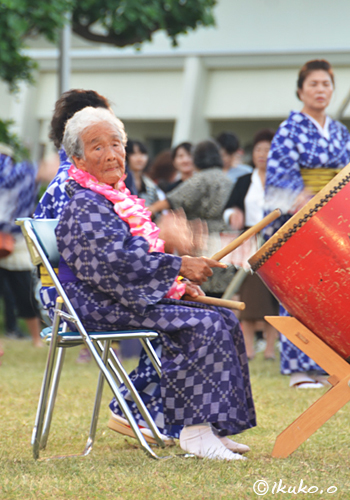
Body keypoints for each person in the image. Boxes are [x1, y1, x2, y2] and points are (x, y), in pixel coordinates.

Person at [48, 106, 256, 460]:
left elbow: (136, 256)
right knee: (200, 323)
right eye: (97, 147)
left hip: (124, 293)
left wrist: (175, 282)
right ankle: (194, 431)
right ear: (78, 160)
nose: (112, 154)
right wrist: (178, 268)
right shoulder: (85, 203)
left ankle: (214, 427)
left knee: (222, 318)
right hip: (94, 302)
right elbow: (113, 265)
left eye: (116, 144)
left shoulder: (116, 197)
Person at [264, 59, 350, 388]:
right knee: (300, 294)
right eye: (313, 84)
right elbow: (279, 181)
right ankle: (299, 368)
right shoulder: (290, 129)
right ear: (301, 89)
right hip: (299, 222)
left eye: (326, 84)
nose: (320, 90)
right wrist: (305, 201)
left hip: (335, 219)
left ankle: (331, 365)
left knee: (334, 292)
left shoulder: (341, 132)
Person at [34, 89, 122, 363]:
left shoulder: (86, 180)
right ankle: (144, 400)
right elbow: (88, 259)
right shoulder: (72, 186)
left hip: (75, 295)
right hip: (76, 300)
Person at [149, 140, 236, 296]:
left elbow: (173, 200)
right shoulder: (227, 179)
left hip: (200, 233)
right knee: (223, 289)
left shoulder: (200, 178)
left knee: (202, 288)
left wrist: (150, 211)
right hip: (224, 233)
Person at [223, 129, 279, 360]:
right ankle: (247, 349)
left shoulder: (281, 179)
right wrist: (233, 215)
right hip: (249, 238)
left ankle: (269, 350)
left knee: (273, 296)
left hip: (276, 239)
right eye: (258, 150)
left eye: (267, 150)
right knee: (247, 294)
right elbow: (229, 207)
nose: (263, 154)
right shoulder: (244, 180)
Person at [0, 145, 42, 347]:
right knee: (18, 294)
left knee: (24, 293)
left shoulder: (18, 182)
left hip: (16, 246)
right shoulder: (20, 179)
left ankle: (35, 338)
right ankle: (29, 337)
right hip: (11, 242)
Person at [126, 139, 161, 207]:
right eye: (134, 154)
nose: (139, 158)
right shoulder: (120, 182)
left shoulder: (150, 185)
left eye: (143, 154)